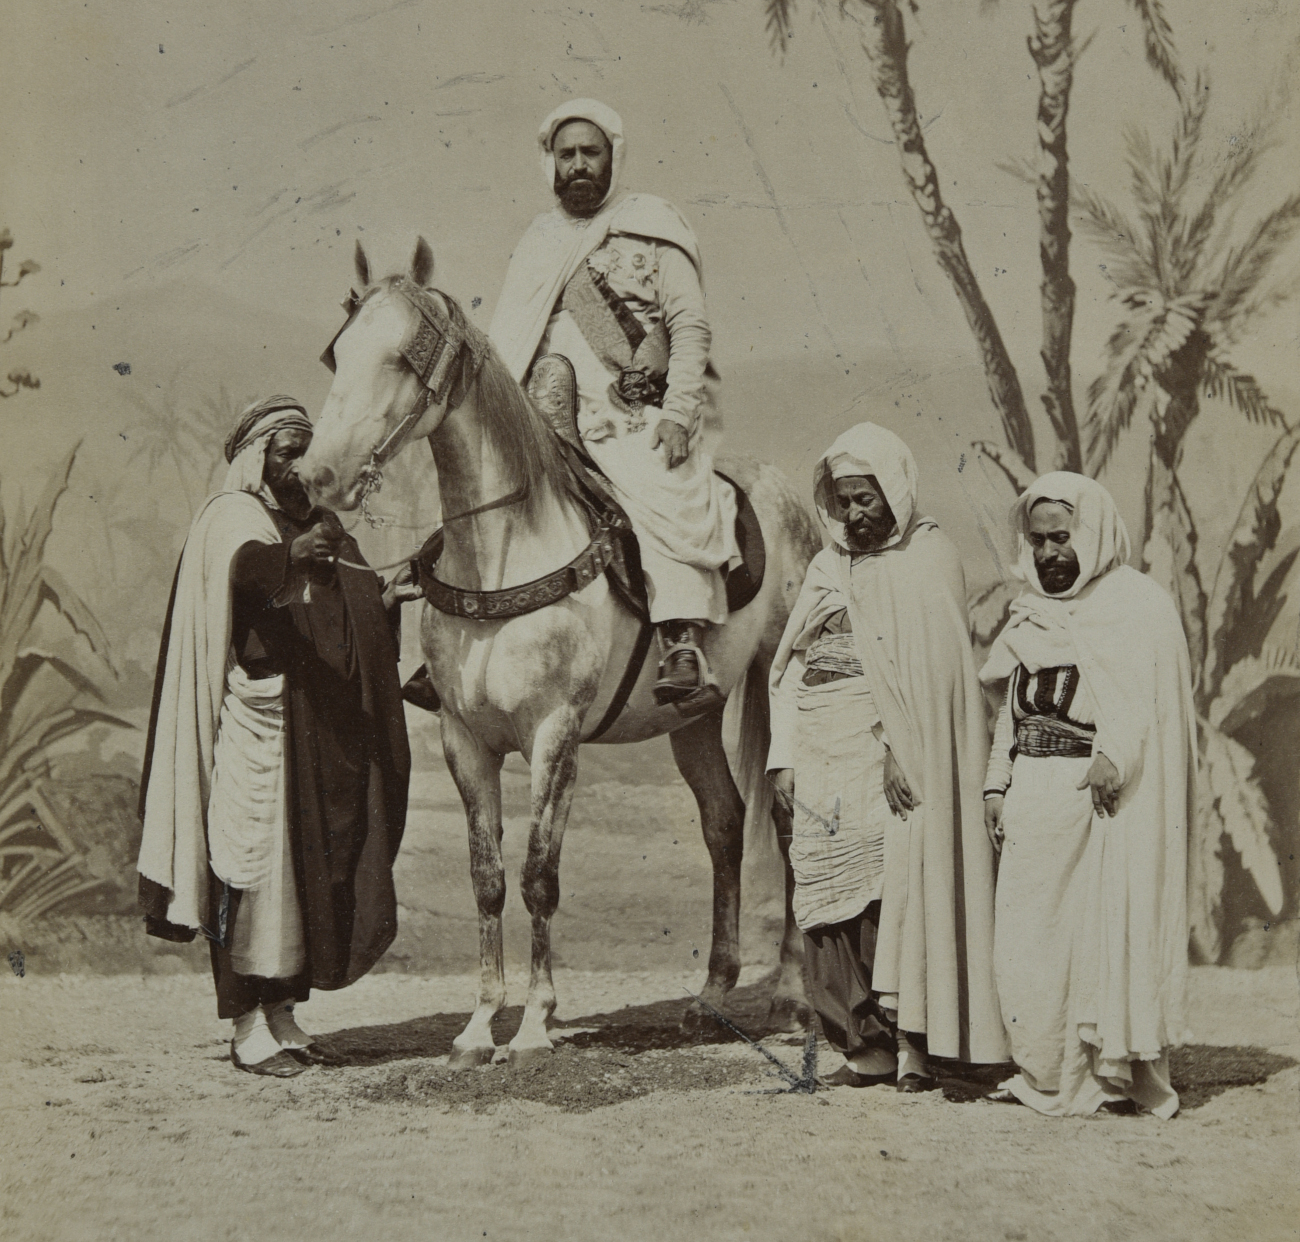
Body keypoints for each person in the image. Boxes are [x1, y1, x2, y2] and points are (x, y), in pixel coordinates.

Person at [137, 396, 411, 1077]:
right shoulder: (230, 518)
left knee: (309, 869)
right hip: (253, 721)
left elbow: (348, 608)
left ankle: (285, 1009)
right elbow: (252, 571)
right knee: (249, 864)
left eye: (306, 449)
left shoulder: (322, 527)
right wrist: (296, 554)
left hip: (312, 726)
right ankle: (244, 1021)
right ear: (258, 457)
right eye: (289, 449)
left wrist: (386, 594)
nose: (301, 462)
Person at [768, 425, 1007, 1090]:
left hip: (888, 755)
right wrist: (782, 757)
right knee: (824, 902)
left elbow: (933, 684)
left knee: (890, 894)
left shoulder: (929, 556)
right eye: (843, 499)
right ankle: (860, 1044)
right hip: (820, 747)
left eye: (865, 498)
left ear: (894, 491)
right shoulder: (827, 566)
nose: (853, 513)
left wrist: (905, 751)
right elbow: (789, 666)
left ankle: (914, 1047)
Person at [488, 99, 740, 710]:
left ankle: (681, 638)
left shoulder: (654, 226)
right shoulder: (539, 240)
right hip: (542, 419)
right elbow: (509, 342)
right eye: (565, 154)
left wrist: (680, 414)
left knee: (665, 484)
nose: (577, 165)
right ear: (550, 162)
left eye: (590, 153)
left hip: (630, 418)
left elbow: (689, 328)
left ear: (613, 158)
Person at [980, 473, 1195, 1118]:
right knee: (1024, 947)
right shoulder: (1029, 613)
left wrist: (1113, 756)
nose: (1048, 553)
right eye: (1039, 540)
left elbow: (1143, 705)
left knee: (1088, 946)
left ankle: (1101, 1081)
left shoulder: (1135, 604)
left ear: (1093, 533)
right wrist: (997, 784)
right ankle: (1040, 1075)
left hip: (1096, 811)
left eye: (1061, 538)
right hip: (1029, 808)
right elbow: (1009, 717)